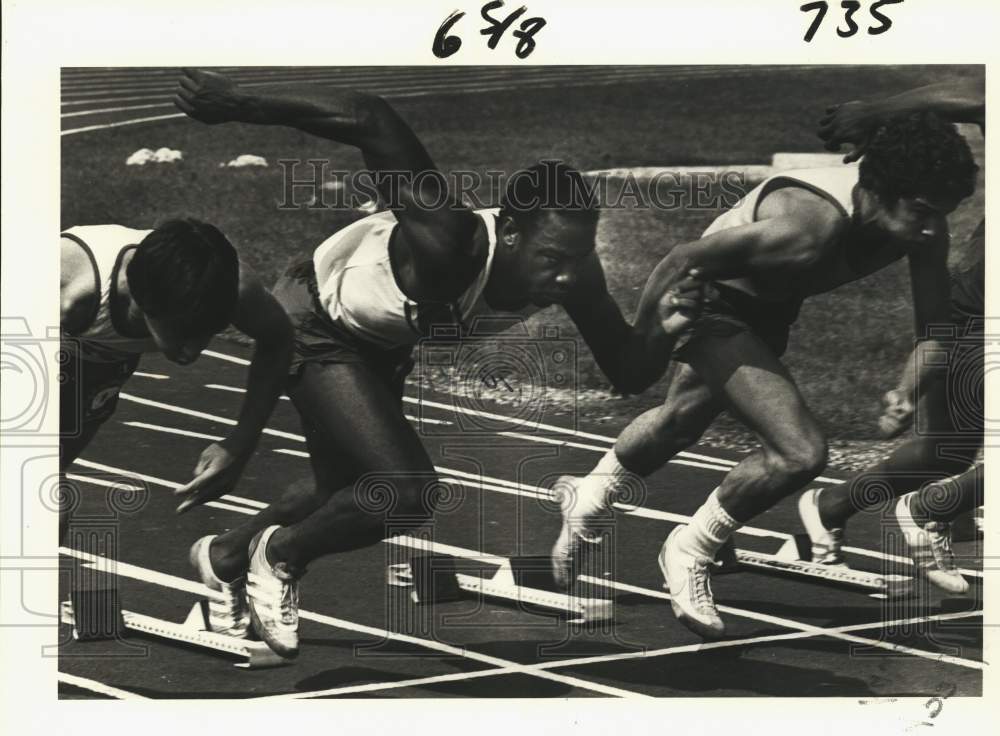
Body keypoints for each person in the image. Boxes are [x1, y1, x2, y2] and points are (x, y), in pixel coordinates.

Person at [172, 68, 703, 658]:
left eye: (579, 258)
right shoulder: (450, 242)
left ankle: (223, 556)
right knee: (406, 490)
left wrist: (665, 328)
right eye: (552, 257)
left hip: (379, 340)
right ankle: (277, 556)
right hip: (314, 317)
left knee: (342, 487)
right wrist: (241, 102)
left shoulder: (573, 275)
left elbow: (627, 372)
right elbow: (372, 116)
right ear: (508, 233)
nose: (565, 277)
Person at [551, 108, 978, 639]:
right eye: (923, 210)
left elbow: (935, 327)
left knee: (680, 421)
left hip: (769, 308)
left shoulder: (919, 229)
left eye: (947, 212)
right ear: (883, 188)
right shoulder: (810, 226)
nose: (935, 227)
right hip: (711, 302)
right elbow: (683, 259)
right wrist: (641, 346)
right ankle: (690, 549)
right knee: (799, 452)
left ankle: (589, 495)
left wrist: (906, 391)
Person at [60, 218, 294, 635]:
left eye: (207, 334)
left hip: (95, 362)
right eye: (185, 333)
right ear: (140, 299)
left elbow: (278, 338)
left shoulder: (231, 288)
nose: (193, 351)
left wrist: (240, 442)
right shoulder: (65, 289)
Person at [799, 78, 985, 596]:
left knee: (943, 452)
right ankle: (932, 510)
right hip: (982, 301)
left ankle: (829, 508)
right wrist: (881, 110)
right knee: (946, 449)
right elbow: (985, 93)